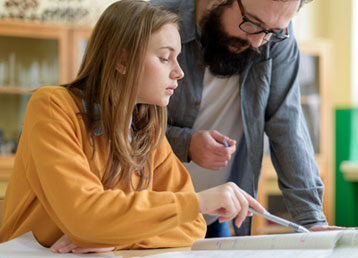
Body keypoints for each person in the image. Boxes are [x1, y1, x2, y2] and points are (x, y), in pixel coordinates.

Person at [0, 0, 265, 254]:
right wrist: (199, 201)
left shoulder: (147, 131)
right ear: (122, 61)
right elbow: (85, 216)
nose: (179, 72)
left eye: (178, 58)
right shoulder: (52, 107)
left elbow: (192, 226)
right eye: (164, 58)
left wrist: (114, 238)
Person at [150, 0, 344, 238]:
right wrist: (185, 143)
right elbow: (115, 126)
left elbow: (287, 124)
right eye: (253, 23)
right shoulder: (153, 20)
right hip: (147, 215)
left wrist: (311, 220)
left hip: (213, 217)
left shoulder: (273, 37)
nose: (258, 43)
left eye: (272, 31)